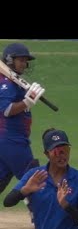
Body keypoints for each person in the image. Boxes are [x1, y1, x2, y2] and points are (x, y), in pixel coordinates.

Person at [0, 43, 45, 195]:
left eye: (26, 61)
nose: (25, 64)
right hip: (12, 141)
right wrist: (28, 101)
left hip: (9, 141)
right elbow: (6, 110)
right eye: (21, 60)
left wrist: (27, 102)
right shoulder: (5, 83)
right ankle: (42, 218)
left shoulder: (13, 82)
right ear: (9, 60)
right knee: (35, 182)